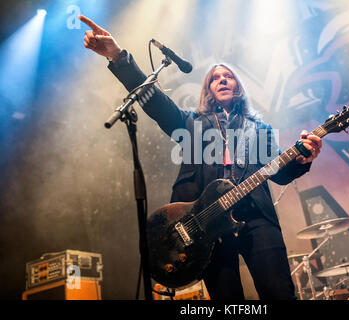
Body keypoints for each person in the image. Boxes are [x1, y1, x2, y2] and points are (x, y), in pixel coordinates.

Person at [79, 15, 322, 300]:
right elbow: (155, 102)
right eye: (215, 78)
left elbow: (279, 172)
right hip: (205, 226)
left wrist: (303, 157)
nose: (222, 80)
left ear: (238, 86)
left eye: (228, 76)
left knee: (280, 293)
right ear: (207, 89)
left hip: (256, 216)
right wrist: (118, 56)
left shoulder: (260, 129)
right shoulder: (191, 124)